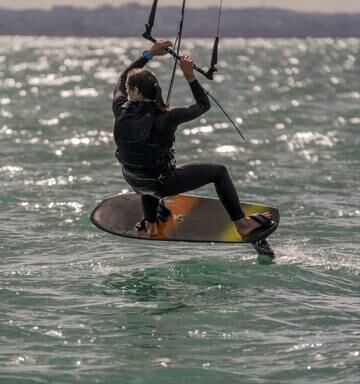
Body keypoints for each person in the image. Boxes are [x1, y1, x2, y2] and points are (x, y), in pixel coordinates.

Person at [112, 40, 273, 238]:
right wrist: (189, 75)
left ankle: (152, 225)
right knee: (219, 172)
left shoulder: (120, 109)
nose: (127, 92)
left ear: (135, 91)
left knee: (146, 167)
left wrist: (149, 54)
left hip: (134, 181)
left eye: (129, 89)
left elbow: (121, 79)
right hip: (162, 184)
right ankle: (242, 224)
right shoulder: (168, 116)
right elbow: (203, 105)